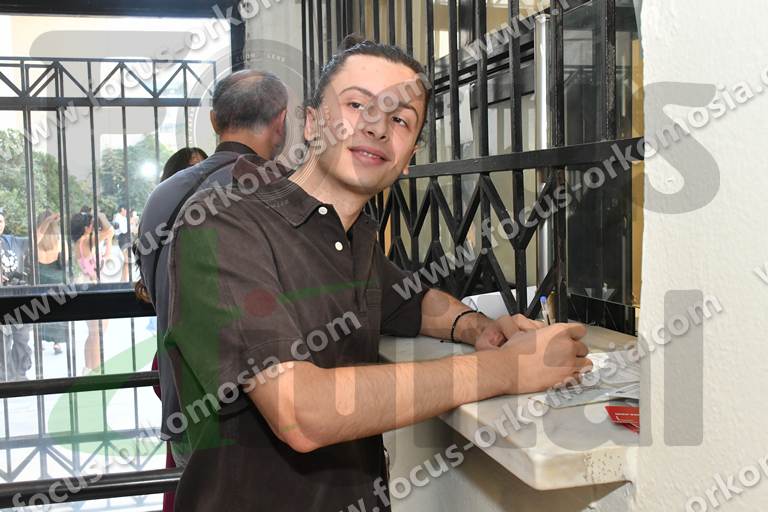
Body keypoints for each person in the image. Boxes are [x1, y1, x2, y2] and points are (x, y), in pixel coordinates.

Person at [164, 38, 592, 511]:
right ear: (311, 123)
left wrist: (481, 328)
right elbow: (301, 413)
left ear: (409, 156)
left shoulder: (354, 235)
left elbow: (411, 300)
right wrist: (508, 368)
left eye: (400, 119)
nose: (377, 126)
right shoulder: (225, 222)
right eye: (356, 104)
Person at [136, 70, 291, 512]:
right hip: (260, 422)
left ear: (214, 119)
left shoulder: (160, 198)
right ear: (281, 121)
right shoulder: (282, 192)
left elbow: (163, 294)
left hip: (185, 413)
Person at [70, 209, 114, 373]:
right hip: (95, 288)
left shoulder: (79, 243)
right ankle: (96, 371)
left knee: (93, 333)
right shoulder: (87, 240)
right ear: (86, 227)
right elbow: (109, 230)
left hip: (87, 286)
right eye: (91, 224)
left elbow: (106, 253)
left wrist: (108, 240)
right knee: (98, 335)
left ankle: (88, 368)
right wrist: (100, 214)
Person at [0, 207, 33, 381]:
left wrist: (45, 223)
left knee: (22, 337)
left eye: (0, 221)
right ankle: (5, 377)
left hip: (16, 295)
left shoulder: (12, 241)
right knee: (2, 340)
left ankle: (20, 374)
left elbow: (36, 239)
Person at [36, 209, 67, 355]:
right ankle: (57, 343)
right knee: (57, 309)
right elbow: (65, 261)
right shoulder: (60, 241)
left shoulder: (35, 241)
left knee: (39, 309)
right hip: (57, 278)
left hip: (40, 279)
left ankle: (39, 340)